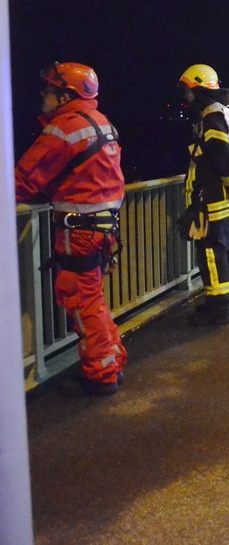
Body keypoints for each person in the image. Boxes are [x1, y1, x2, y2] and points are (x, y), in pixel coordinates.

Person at [15, 62, 127, 395]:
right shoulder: (101, 122)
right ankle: (111, 360)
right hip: (102, 228)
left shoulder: (64, 129)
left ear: (65, 95)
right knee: (93, 299)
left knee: (80, 300)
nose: (43, 97)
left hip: (79, 231)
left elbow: (22, 180)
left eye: (48, 91)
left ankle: (101, 374)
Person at [179, 64, 229, 325]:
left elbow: (220, 155)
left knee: (211, 251)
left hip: (213, 196)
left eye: (187, 90)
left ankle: (217, 309)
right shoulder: (222, 112)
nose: (186, 96)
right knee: (222, 250)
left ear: (197, 89)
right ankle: (226, 303)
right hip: (221, 194)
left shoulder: (212, 115)